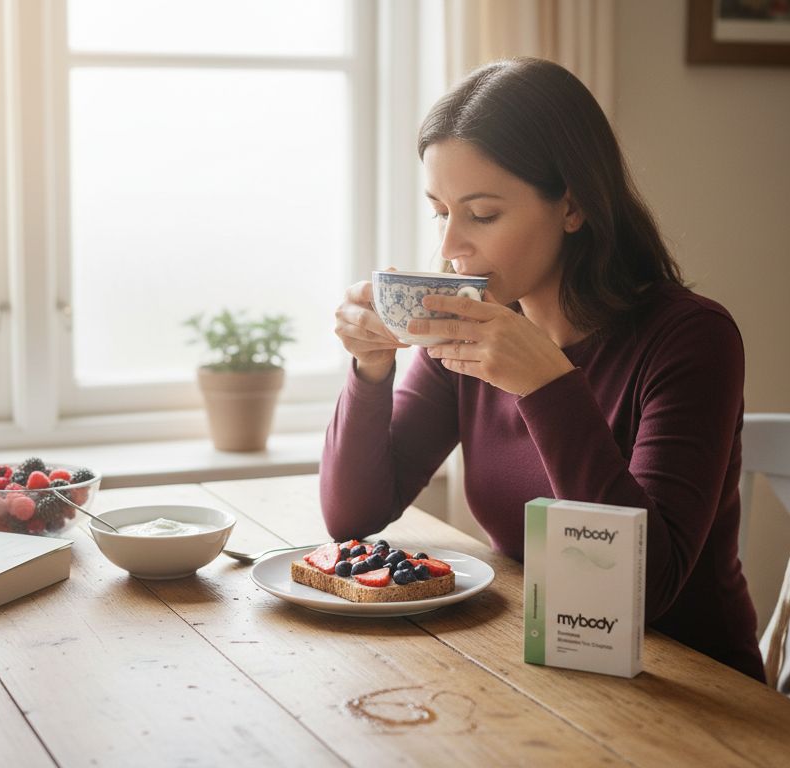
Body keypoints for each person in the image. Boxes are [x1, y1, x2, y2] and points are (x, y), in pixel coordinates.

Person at [321, 57, 764, 682]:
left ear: (573, 206)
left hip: (694, 688)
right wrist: (369, 370)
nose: (449, 247)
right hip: (544, 671)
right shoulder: (472, 326)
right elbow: (353, 519)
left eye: (482, 214)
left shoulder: (691, 339)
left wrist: (547, 387)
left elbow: (643, 591)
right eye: (440, 211)